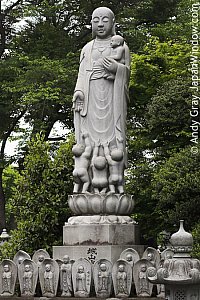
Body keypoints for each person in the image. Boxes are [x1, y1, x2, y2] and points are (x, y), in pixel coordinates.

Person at [72, 7, 130, 193]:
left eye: (105, 19)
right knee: (87, 138)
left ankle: (114, 182)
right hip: (90, 97)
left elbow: (126, 74)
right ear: (91, 23)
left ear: (113, 23)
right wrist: (79, 92)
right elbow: (81, 74)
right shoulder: (87, 49)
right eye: (96, 20)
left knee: (113, 140)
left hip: (112, 101)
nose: (100, 23)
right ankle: (88, 184)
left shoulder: (121, 46)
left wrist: (117, 69)